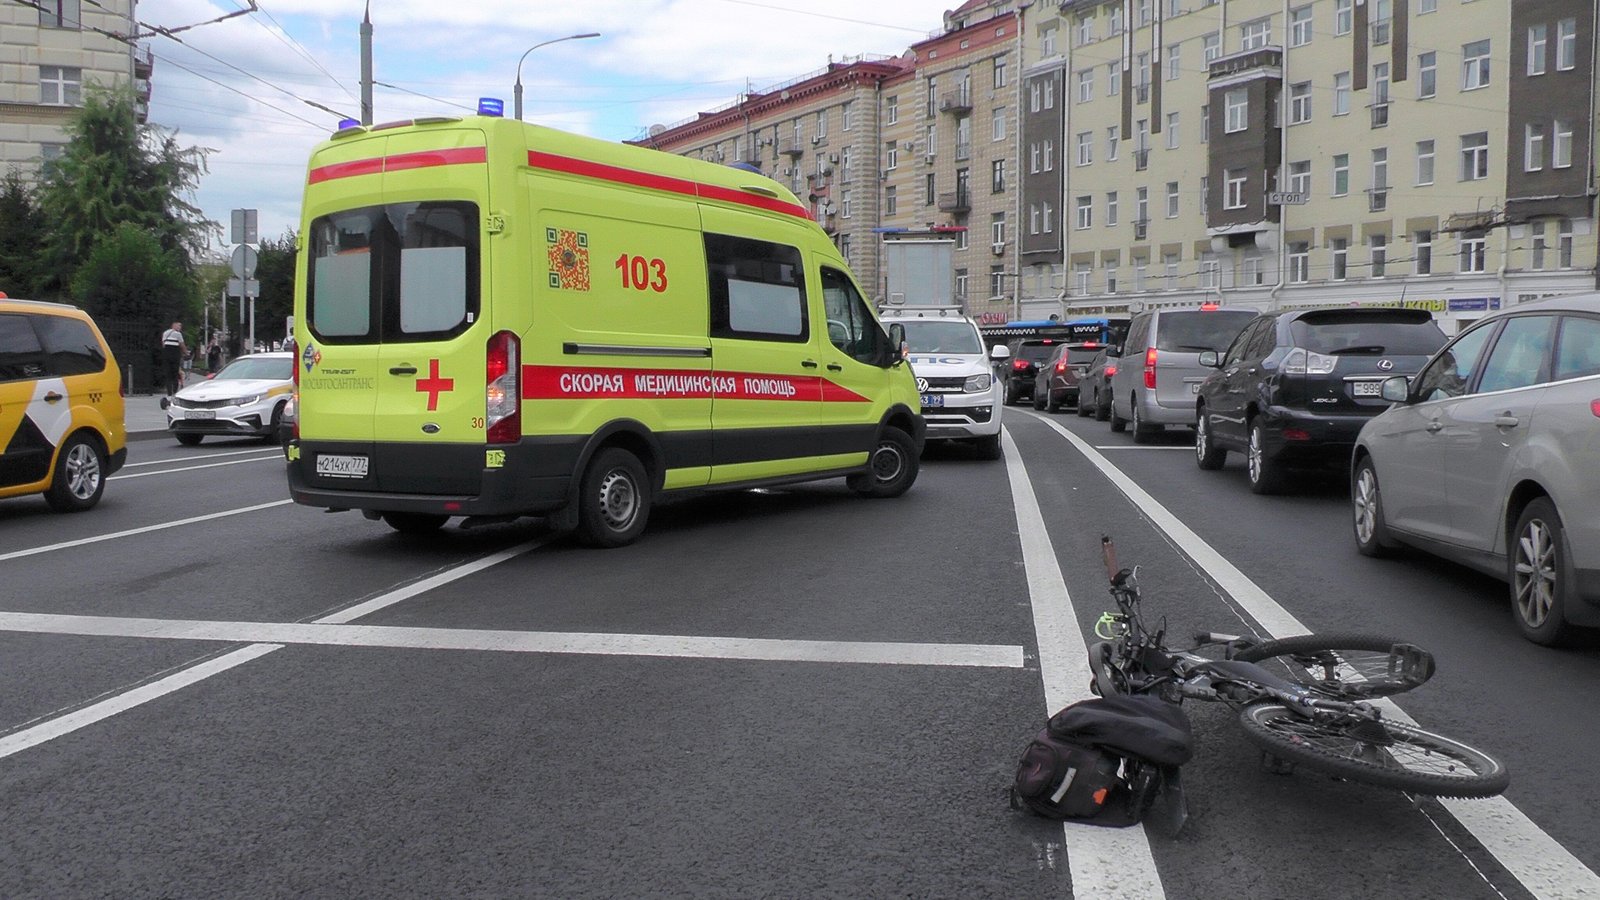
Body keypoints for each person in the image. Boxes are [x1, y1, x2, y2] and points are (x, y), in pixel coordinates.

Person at [159, 320, 186, 401]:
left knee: (168, 374)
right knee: (175, 374)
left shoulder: (165, 333)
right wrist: (186, 352)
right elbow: (182, 345)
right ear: (173, 326)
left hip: (166, 354)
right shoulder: (178, 334)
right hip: (175, 354)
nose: (180, 327)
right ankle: (175, 392)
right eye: (179, 326)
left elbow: (163, 344)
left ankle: (169, 394)